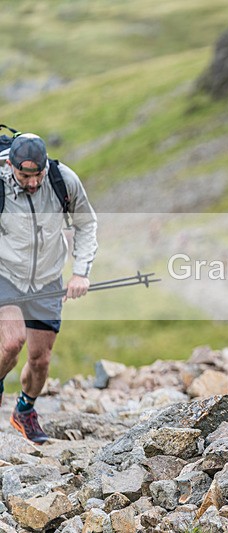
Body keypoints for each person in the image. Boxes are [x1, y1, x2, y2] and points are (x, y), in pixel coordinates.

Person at [0, 133, 98, 443]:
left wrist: (80, 273)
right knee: (12, 342)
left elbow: (86, 224)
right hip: (6, 275)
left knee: (40, 360)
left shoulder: (62, 180)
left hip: (48, 278)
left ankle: (24, 412)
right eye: (24, 175)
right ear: (10, 164)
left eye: (36, 175)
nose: (31, 183)